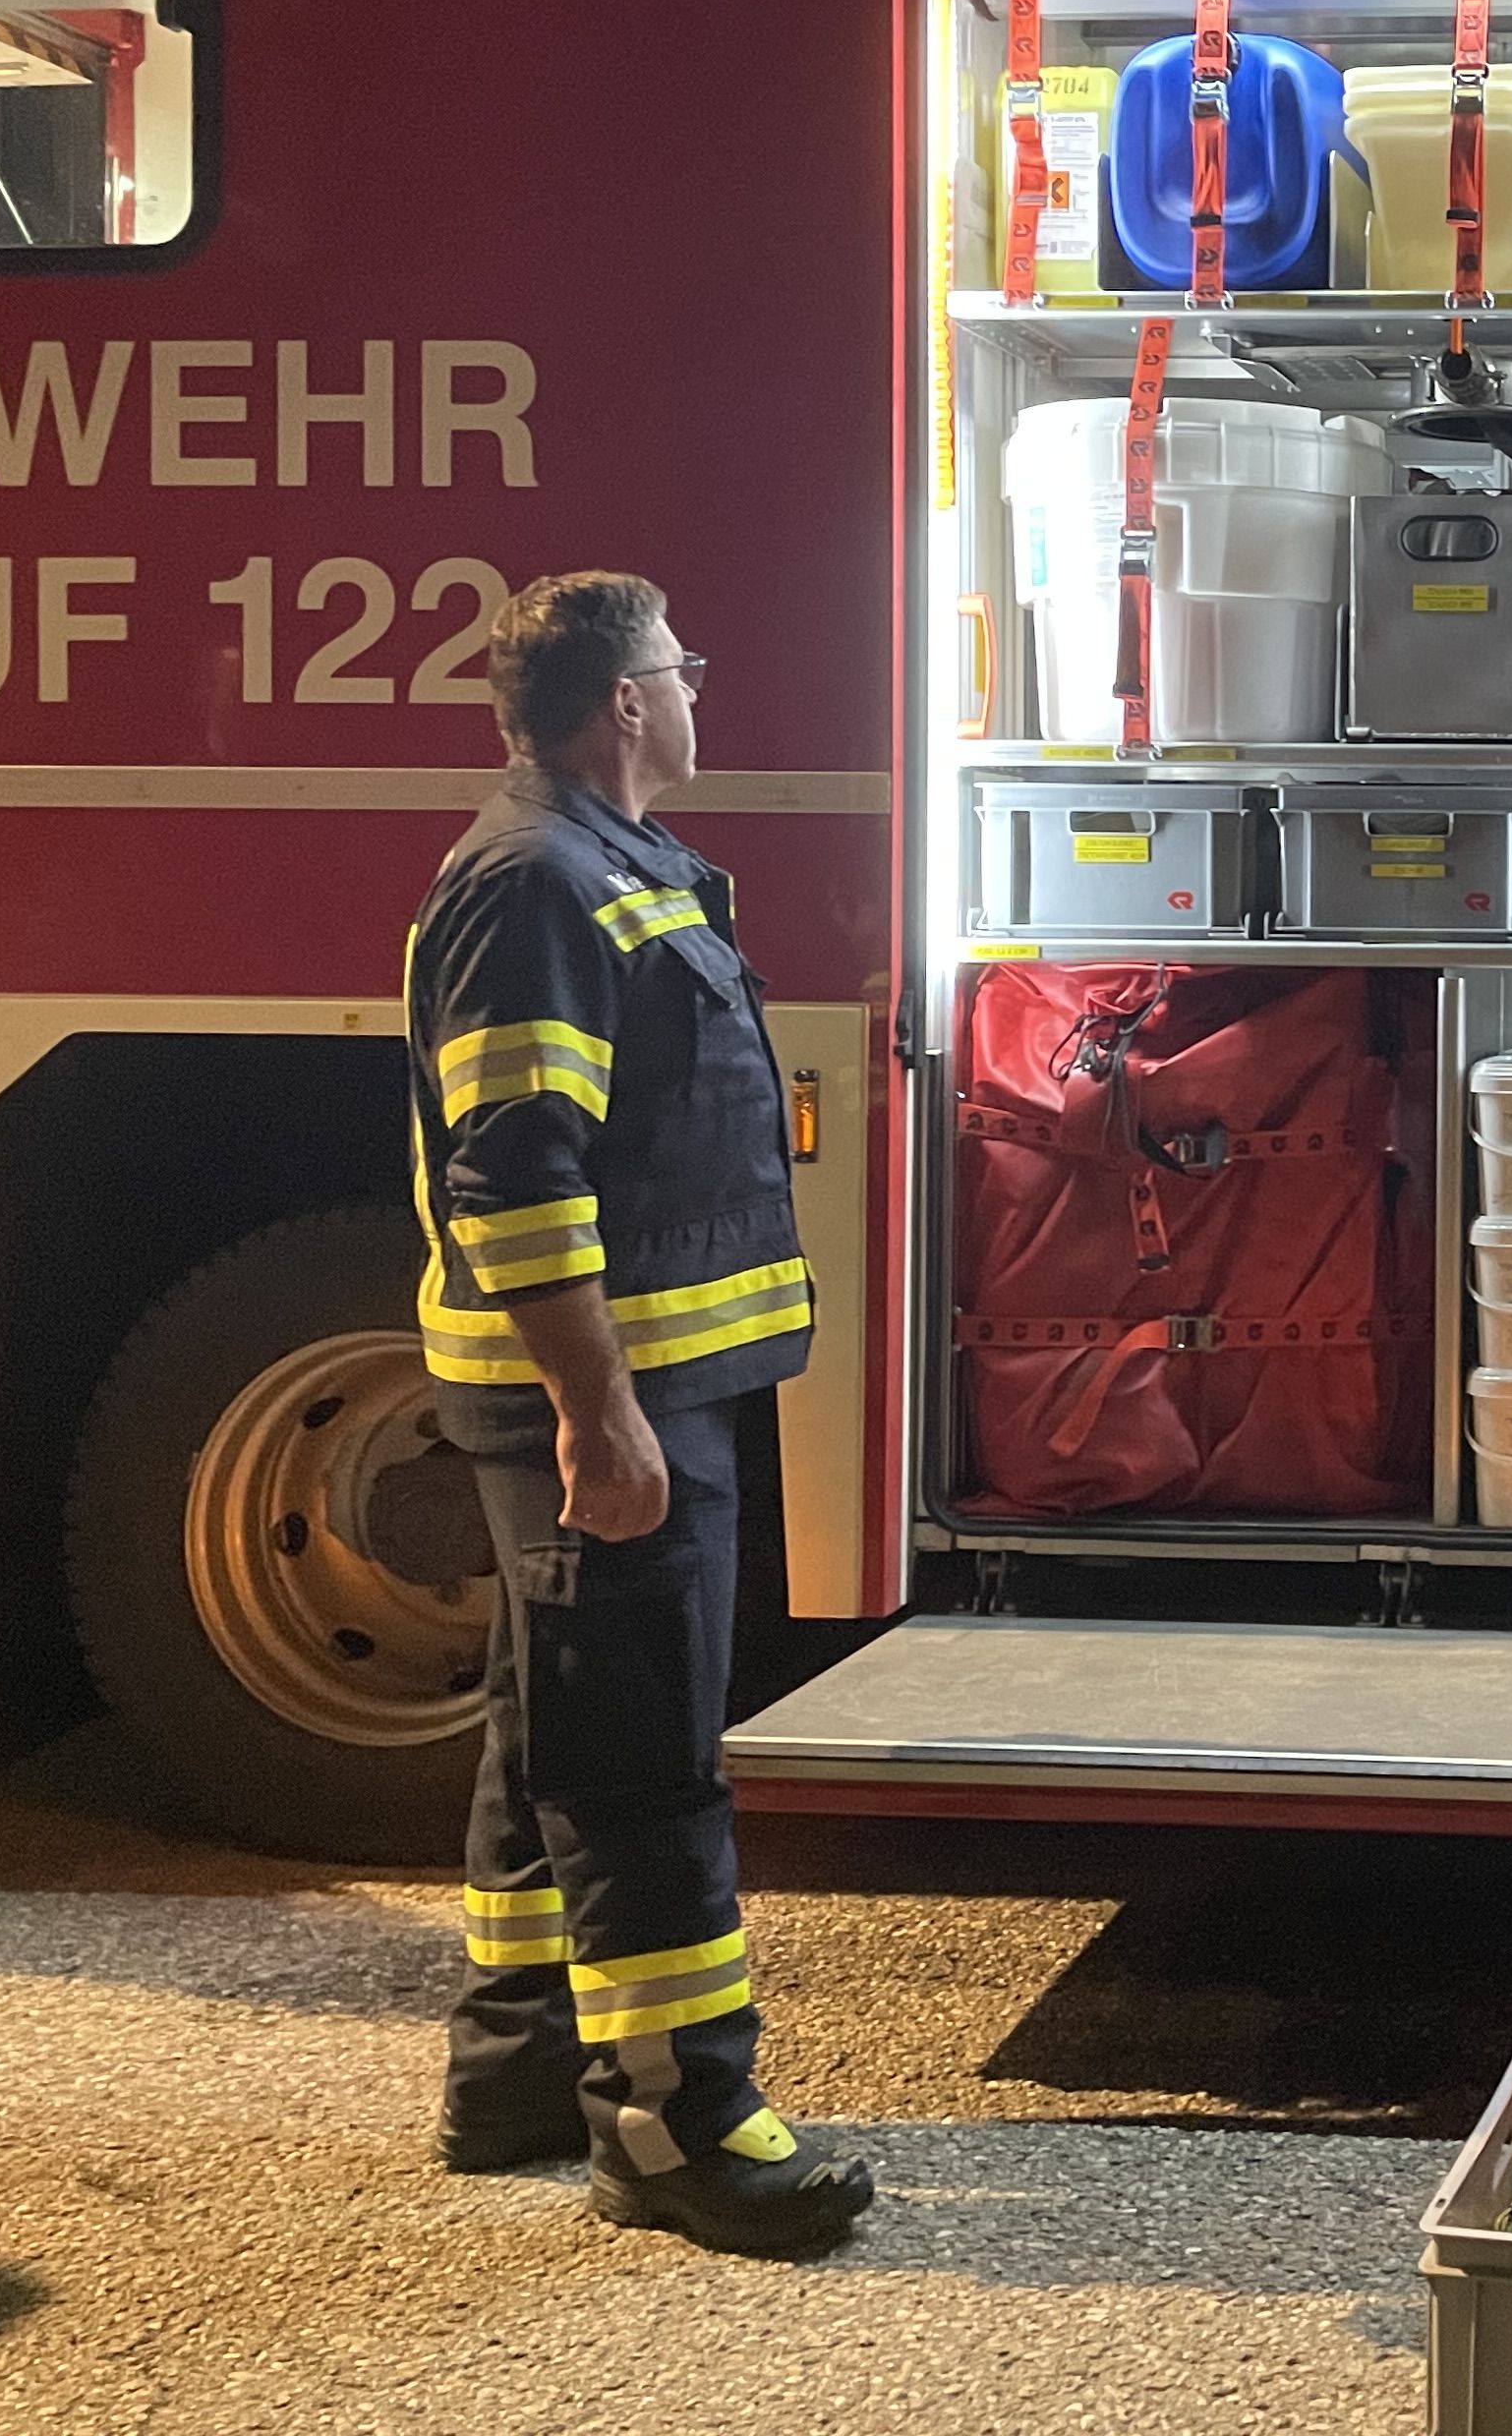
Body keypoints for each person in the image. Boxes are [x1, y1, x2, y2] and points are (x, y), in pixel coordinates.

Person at [406, 569, 873, 2256]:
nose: (696, 691)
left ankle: (520, 2068)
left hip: (651, 1388)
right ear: (623, 700)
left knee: (550, 1733)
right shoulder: (538, 884)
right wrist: (597, 1415)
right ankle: (679, 2127)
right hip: (616, 1406)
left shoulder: (605, 866)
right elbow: (516, 1173)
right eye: (681, 668)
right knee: (640, 1765)